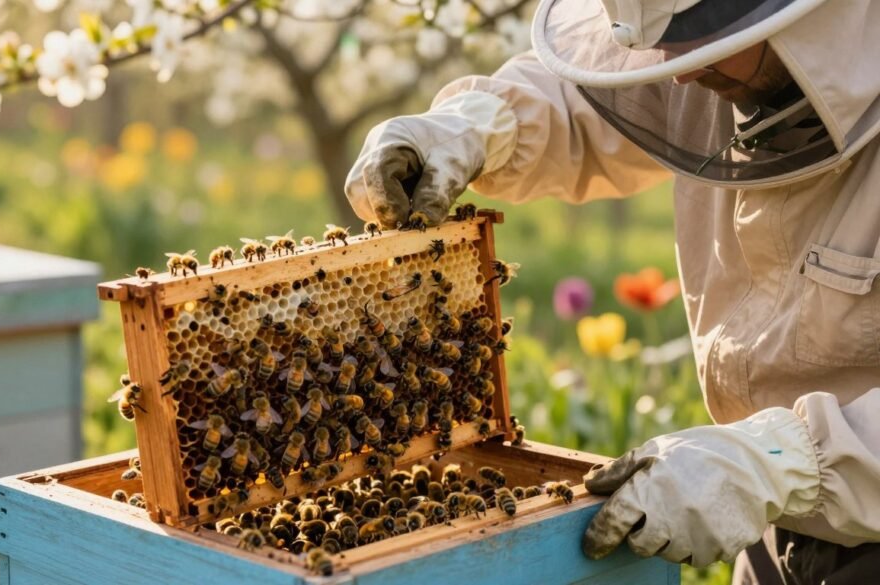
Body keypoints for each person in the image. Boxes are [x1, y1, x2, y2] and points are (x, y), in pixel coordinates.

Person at [344, 0, 880, 582]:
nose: (677, 69)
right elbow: (590, 96)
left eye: (705, 33)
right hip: (768, 527)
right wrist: (474, 124)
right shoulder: (726, 63)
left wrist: (780, 464)